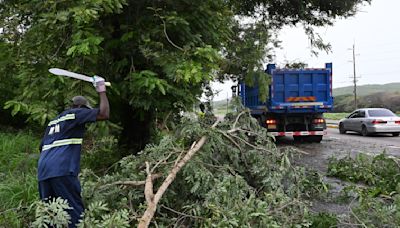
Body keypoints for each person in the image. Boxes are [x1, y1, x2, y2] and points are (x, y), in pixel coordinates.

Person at [37, 76, 109, 227]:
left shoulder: (53, 122)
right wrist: (101, 90)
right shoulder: (76, 114)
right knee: (75, 213)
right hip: (62, 170)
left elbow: (41, 146)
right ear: (81, 107)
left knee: (50, 215)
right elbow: (104, 114)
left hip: (43, 171)